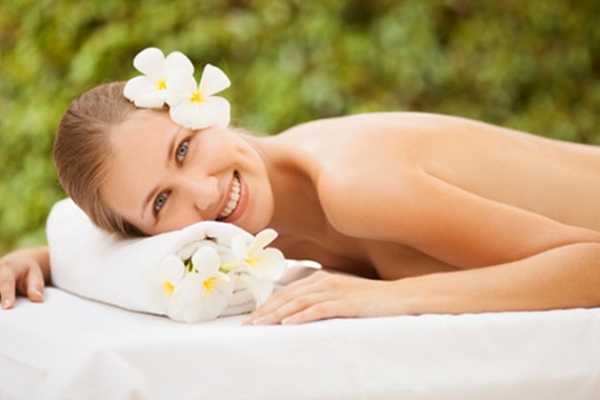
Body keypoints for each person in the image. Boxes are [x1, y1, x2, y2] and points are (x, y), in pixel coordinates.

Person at [2, 53, 600, 326]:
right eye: (161, 201)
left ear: (202, 108)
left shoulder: (352, 183)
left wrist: (388, 299)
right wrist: (46, 260)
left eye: (183, 149)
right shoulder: (262, 233)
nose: (202, 194)